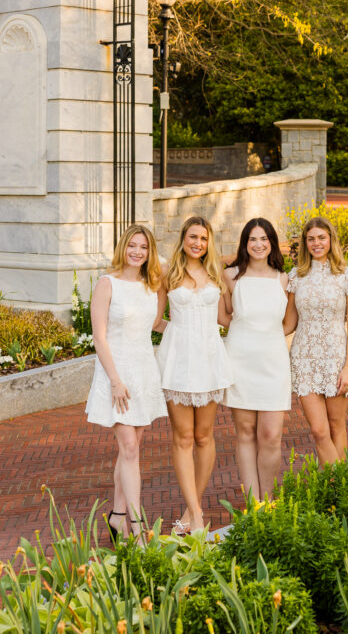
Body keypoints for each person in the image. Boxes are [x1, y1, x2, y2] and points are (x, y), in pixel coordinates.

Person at [85, 224, 168, 542]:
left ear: (150, 252)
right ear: (124, 247)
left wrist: (193, 332)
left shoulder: (153, 285)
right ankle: (136, 527)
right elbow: (99, 336)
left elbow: (157, 324)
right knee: (130, 447)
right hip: (116, 375)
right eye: (133, 245)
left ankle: (118, 516)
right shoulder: (108, 284)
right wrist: (115, 381)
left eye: (144, 247)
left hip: (144, 372)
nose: (137, 252)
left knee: (130, 450)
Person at [155, 215, 233, 533]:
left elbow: (227, 318)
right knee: (183, 437)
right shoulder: (167, 273)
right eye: (192, 237)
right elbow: (156, 319)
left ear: (208, 242)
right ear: (183, 239)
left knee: (204, 436)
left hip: (210, 361)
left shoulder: (217, 274)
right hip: (178, 361)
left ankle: (192, 510)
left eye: (203, 238)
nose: (197, 243)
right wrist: (178, 333)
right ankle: (198, 517)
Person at [284, 216, 348, 464]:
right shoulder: (296, 276)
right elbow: (289, 323)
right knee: (319, 431)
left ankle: (335, 492)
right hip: (304, 358)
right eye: (311, 239)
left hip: (336, 359)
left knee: (337, 426)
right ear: (305, 243)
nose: (316, 243)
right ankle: (339, 484)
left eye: (321, 238)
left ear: (331, 240)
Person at [223, 218, 291, 501]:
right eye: (252, 239)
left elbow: (289, 323)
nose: (259, 244)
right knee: (246, 434)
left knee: (271, 436)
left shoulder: (284, 278)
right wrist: (243, 331)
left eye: (264, 239)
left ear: (272, 242)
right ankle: (254, 504)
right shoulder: (231, 276)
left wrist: (267, 336)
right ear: (244, 244)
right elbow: (224, 315)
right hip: (240, 361)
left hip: (273, 363)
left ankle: (270, 501)